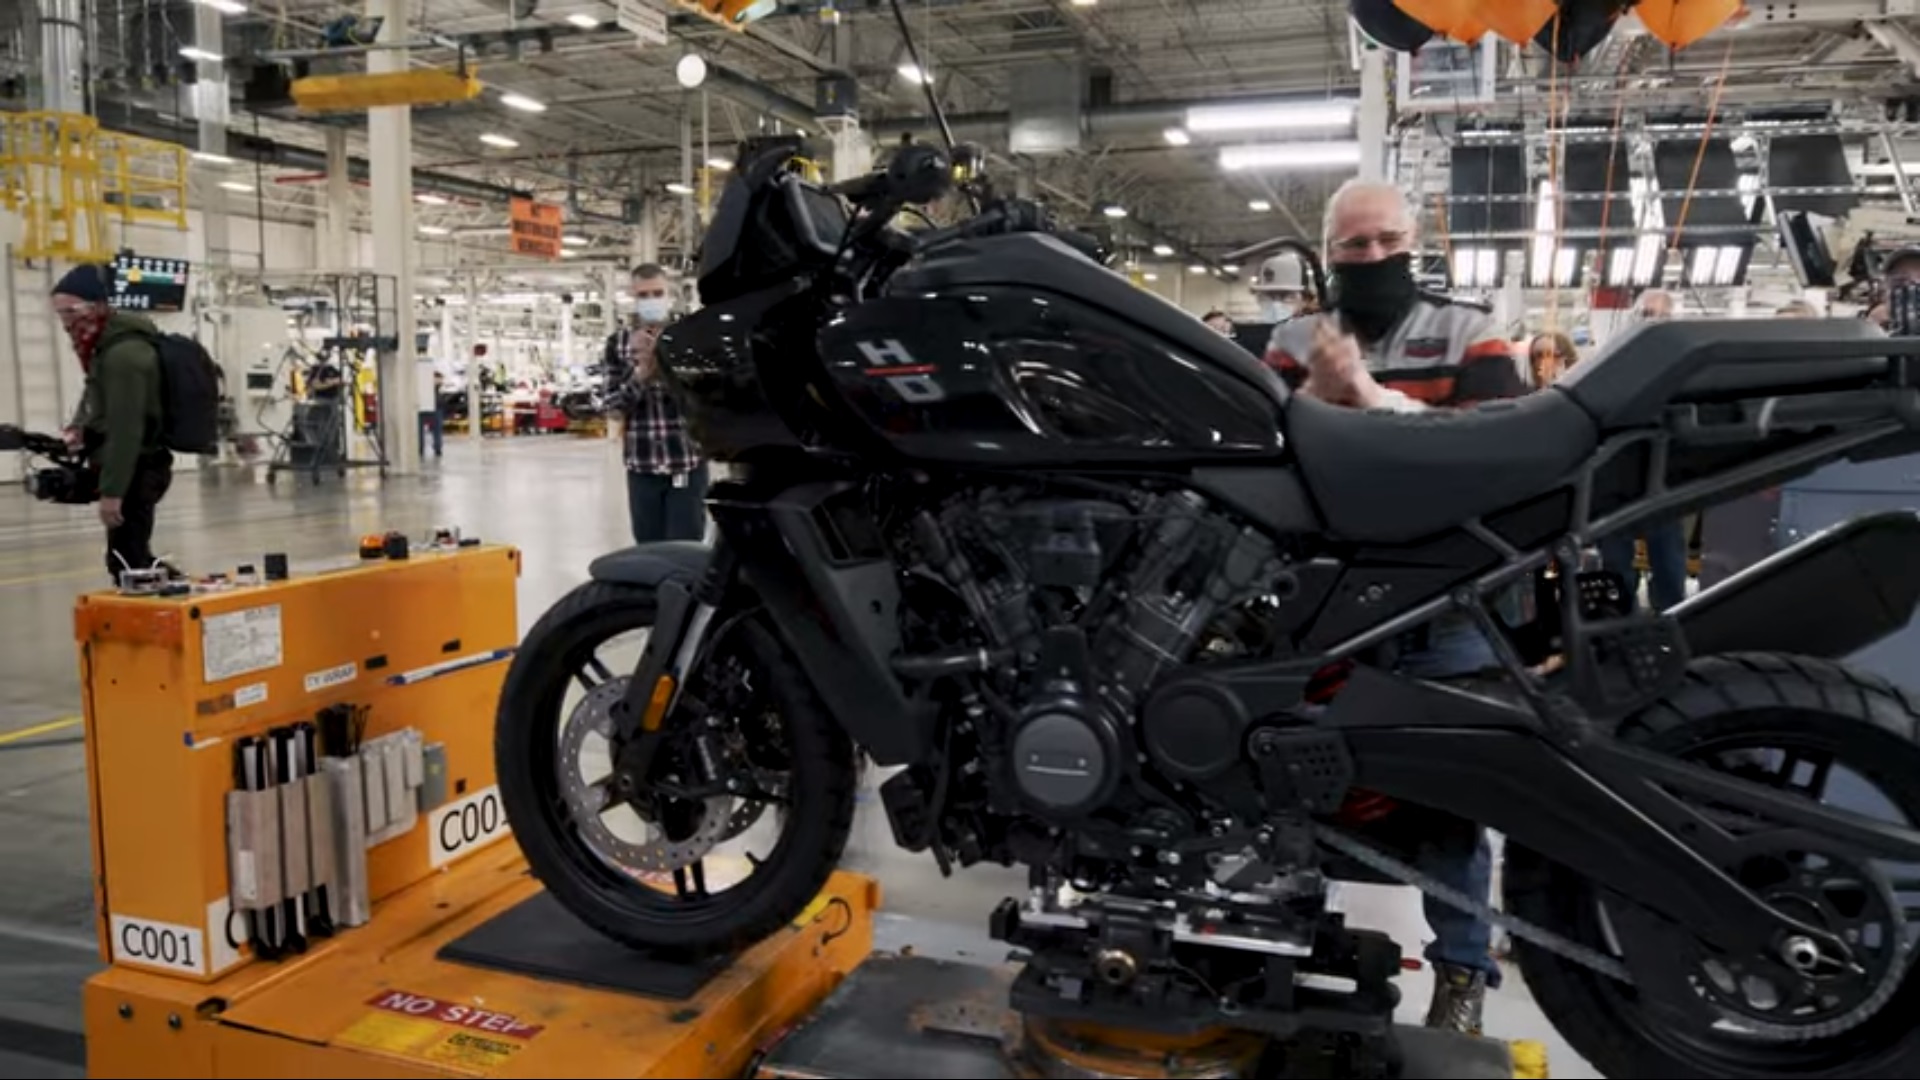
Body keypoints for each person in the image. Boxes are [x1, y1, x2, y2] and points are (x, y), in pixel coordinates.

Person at [1266, 179, 1528, 1036]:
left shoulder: (1468, 330)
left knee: (1449, 795)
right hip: (1327, 612)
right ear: (1328, 251)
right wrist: (1314, 398)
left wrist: (1369, 400)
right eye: (1354, 244)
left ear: (1415, 241)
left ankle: (1462, 977)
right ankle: (1288, 952)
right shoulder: (1291, 341)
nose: (1372, 256)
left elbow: (1497, 452)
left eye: (1386, 241)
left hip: (1445, 607)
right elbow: (1266, 465)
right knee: (1298, 780)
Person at [51, 264, 172, 582]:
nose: (66, 323)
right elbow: (97, 397)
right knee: (131, 560)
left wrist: (112, 493)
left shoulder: (123, 355)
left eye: (71, 312)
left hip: (137, 468)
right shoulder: (104, 349)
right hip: (130, 466)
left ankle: (172, 604)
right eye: (60, 313)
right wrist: (80, 428)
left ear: (97, 306)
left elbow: (126, 429)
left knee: (129, 564)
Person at [1598, 289, 1688, 612]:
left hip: (1664, 479)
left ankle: (1673, 619)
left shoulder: (1685, 365)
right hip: (1618, 479)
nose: (1654, 321)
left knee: (1669, 565)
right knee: (1616, 567)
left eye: (1662, 315)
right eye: (1647, 314)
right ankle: (1618, 626)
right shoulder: (1612, 360)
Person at [605, 263, 706, 544]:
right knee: (649, 550)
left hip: (685, 463)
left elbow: (707, 397)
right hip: (643, 466)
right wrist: (642, 374)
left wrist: (668, 367)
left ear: (669, 294)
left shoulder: (690, 336)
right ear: (633, 297)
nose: (651, 301)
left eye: (657, 293)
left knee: (685, 549)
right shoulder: (618, 344)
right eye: (643, 295)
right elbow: (612, 406)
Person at [416, 359, 444, 460]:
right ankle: (435, 448)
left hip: (429, 406)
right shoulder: (431, 377)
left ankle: (425, 448)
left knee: (422, 430)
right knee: (436, 430)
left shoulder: (418, 378)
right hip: (432, 406)